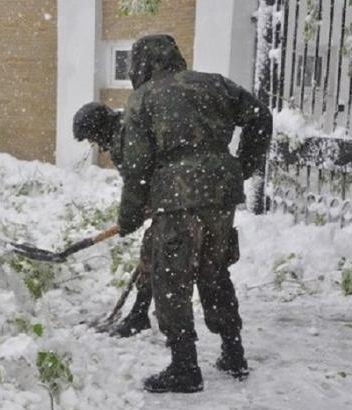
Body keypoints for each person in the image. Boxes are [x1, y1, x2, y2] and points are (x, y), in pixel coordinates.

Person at [115, 34, 272, 393]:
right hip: (221, 195)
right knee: (213, 270)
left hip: (177, 197)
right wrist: (242, 165)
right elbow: (260, 115)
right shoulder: (215, 83)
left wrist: (130, 215)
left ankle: (185, 367)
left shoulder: (143, 98)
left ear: (141, 64)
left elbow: (137, 167)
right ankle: (234, 353)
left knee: (171, 280)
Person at [73, 103, 153, 338]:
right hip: (176, 195)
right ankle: (138, 315)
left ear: (101, 128)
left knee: (155, 257)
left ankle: (139, 317)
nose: (97, 145)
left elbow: (136, 181)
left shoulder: (126, 137)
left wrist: (129, 219)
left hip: (181, 198)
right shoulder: (127, 129)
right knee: (152, 255)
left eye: (93, 137)